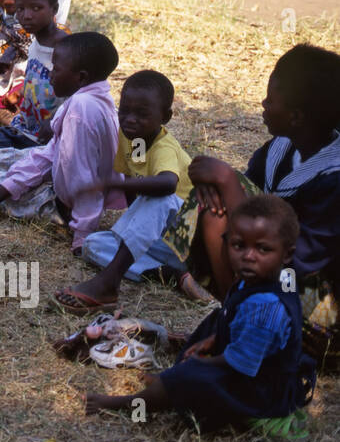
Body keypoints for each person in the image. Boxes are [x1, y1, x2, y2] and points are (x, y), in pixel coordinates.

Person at [86, 195, 315, 438]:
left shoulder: (267, 307)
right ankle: (169, 383)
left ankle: (128, 404)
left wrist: (203, 363)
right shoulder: (259, 278)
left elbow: (242, 363)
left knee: (192, 375)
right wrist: (214, 339)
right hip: (250, 364)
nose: (249, 256)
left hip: (262, 392)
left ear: (287, 255)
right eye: (239, 245)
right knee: (213, 322)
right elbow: (235, 323)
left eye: (263, 249)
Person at [140, 44, 340, 302]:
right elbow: (250, 194)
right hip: (260, 263)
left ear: (296, 117)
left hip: (304, 285)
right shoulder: (281, 147)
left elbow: (298, 261)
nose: (263, 103)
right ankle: (231, 299)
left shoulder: (333, 179)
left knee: (226, 194)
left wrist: (226, 179)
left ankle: (240, 302)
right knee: (215, 208)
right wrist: (214, 186)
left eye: (271, 99)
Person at [51, 70, 192, 313]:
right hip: (162, 244)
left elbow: (167, 185)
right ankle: (165, 273)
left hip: (188, 238)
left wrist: (114, 184)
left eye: (142, 114)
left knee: (158, 196)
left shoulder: (164, 148)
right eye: (124, 110)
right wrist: (131, 222)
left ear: (165, 117)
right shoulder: (134, 139)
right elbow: (133, 173)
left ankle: (109, 283)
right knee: (92, 245)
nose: (130, 119)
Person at [0, 32, 122, 253]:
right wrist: (10, 186)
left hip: (64, 202)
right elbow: (52, 152)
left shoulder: (81, 110)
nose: (50, 74)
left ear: (81, 77)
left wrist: (82, 236)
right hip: (64, 182)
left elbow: (83, 177)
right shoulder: (94, 98)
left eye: (56, 68)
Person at [0, 0, 67, 163]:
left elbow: (80, 95)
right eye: (21, 8)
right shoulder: (34, 43)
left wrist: (56, 123)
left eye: (36, 8)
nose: (27, 15)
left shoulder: (66, 48)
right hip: (24, 128)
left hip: (52, 138)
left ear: (54, 9)